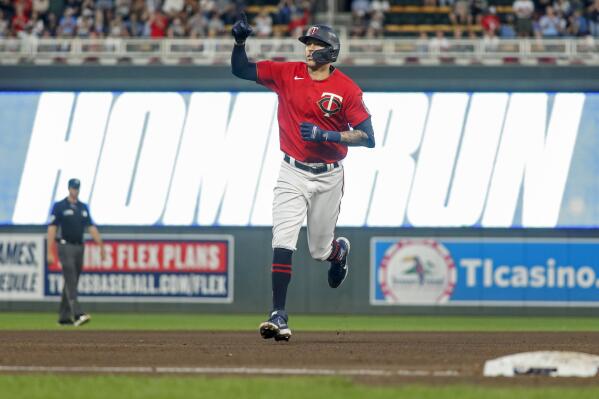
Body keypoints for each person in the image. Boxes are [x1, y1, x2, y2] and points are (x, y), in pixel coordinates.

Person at [231, 14, 375, 341]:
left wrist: (328, 136)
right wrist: (239, 43)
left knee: (320, 251)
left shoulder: (346, 89)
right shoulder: (287, 73)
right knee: (283, 239)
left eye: (316, 44)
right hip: (291, 170)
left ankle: (339, 253)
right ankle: (278, 314)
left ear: (330, 50)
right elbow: (241, 69)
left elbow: (368, 137)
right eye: (308, 43)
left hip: (328, 177)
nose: (309, 49)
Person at [47, 178, 105, 326]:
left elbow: (91, 227)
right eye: (73, 188)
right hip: (65, 246)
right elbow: (52, 228)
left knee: (71, 281)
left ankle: (64, 317)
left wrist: (101, 246)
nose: (75, 191)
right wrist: (50, 251)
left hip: (80, 247)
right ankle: (78, 313)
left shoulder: (83, 207)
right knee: (71, 279)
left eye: (77, 188)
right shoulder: (60, 206)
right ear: (69, 189)